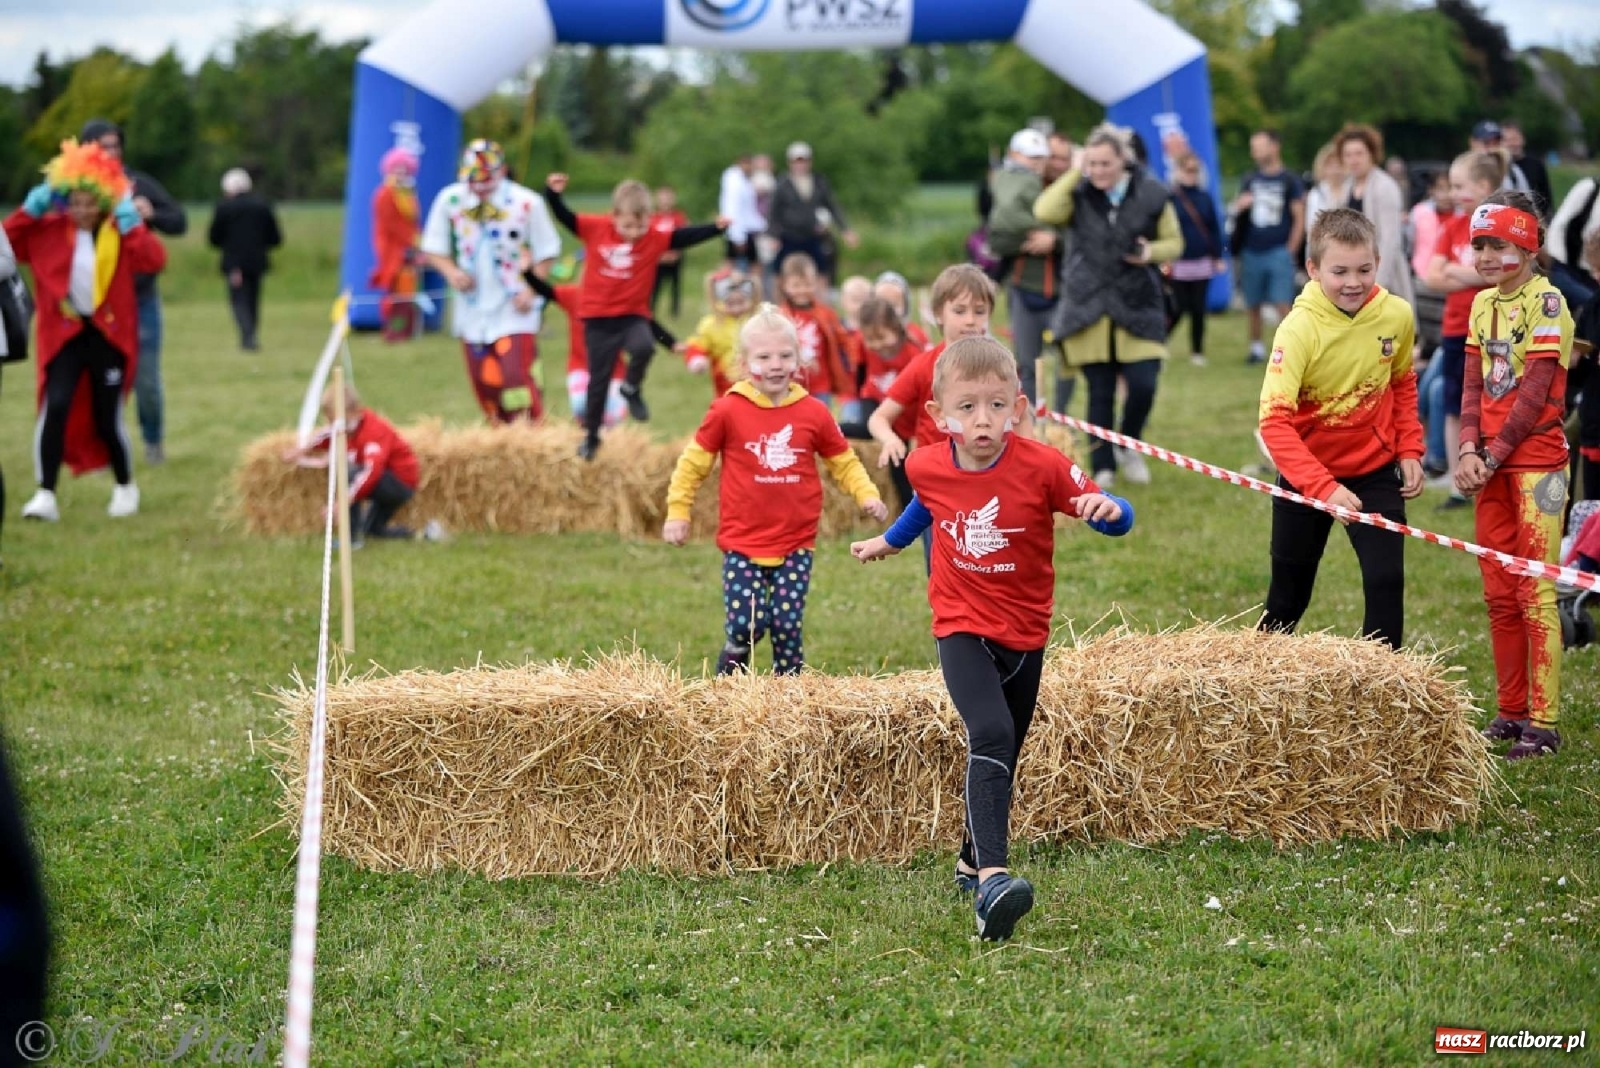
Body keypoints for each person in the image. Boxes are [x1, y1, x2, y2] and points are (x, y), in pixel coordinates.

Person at [850, 336, 1133, 941]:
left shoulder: (1044, 465)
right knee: (992, 731)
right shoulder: (926, 463)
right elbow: (927, 504)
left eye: (997, 406)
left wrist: (1109, 510)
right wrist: (890, 542)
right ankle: (992, 885)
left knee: (1006, 749)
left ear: (1019, 408)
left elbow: (1106, 507)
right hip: (959, 626)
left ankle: (968, 857)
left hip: (1027, 632)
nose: (983, 419)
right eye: (969, 407)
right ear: (939, 416)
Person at [663, 303, 887, 675]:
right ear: (744, 362)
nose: (775, 364)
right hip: (742, 541)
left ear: (799, 360)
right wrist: (677, 511)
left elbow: (842, 460)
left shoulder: (814, 412)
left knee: (786, 628)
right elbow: (693, 464)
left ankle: (788, 699)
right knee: (745, 626)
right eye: (764, 356)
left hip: (795, 541)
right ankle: (729, 683)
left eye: (785, 355)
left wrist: (866, 494)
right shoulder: (727, 410)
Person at [1257, 208, 1425, 650]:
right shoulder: (1297, 329)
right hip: (1306, 476)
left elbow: (1403, 382)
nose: (1353, 282)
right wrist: (1322, 488)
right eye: (1339, 271)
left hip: (1374, 471)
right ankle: (1257, 680)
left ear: (1378, 261)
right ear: (1313, 270)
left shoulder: (1397, 315)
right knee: (1287, 600)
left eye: (1364, 269)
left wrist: (1410, 449)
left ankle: (1383, 691)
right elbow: (1273, 423)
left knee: (1386, 581)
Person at [1455, 194, 1574, 760]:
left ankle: (1544, 723)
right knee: (1499, 594)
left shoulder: (1548, 302)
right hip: (1491, 466)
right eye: (1479, 245)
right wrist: (1464, 449)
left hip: (1537, 467)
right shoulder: (1480, 305)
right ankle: (1510, 710)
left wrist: (1493, 456)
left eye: (1497, 245)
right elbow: (1474, 385)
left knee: (1535, 590)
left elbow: (1534, 395)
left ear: (1528, 246)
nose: (1485, 255)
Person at [6, 139, 166, 521]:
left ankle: (125, 486)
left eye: (89, 203)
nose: (81, 210)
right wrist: (29, 211)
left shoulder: (117, 232)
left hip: (107, 337)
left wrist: (133, 225)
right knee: (55, 406)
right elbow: (7, 242)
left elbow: (154, 260)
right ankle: (45, 493)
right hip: (64, 336)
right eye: (74, 202)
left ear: (103, 201)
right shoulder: (48, 230)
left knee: (106, 415)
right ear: (64, 200)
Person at [1034, 123, 1181, 487]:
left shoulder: (1151, 192)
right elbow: (1045, 210)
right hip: (1089, 305)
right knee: (1099, 393)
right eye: (1093, 163)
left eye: (1105, 164)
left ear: (1123, 162)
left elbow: (1174, 242)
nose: (1098, 171)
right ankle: (1103, 465)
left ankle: (1129, 445)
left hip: (1137, 301)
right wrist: (1074, 170)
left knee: (1143, 384)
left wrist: (1151, 252)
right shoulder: (1078, 191)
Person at [543, 173, 727, 459]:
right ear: (614, 215)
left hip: (631, 315)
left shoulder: (653, 237)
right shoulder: (595, 228)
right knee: (599, 381)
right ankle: (591, 437)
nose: (634, 232)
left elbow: (683, 237)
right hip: (597, 318)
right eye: (627, 225)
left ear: (650, 218)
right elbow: (564, 216)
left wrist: (716, 228)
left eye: (641, 224)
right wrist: (553, 194)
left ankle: (631, 387)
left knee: (643, 346)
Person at [420, 139, 561, 425]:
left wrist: (531, 288)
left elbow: (548, 250)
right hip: (472, 310)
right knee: (486, 384)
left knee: (516, 378)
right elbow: (432, 247)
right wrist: (452, 272)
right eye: (473, 180)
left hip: (514, 308)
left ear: (502, 171)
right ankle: (501, 438)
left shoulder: (527, 202)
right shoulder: (451, 199)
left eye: (486, 181)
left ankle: (535, 437)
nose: (480, 188)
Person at [80, 118, 184, 466]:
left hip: (140, 300)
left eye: (115, 145)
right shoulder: (76, 189)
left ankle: (153, 442)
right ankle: (104, 448)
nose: (111, 153)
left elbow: (179, 220)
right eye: (102, 146)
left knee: (146, 381)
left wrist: (151, 212)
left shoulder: (137, 185)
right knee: (100, 379)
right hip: (95, 301)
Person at [1425, 152, 1505, 510]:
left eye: (1460, 186)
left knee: (1492, 402)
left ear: (1484, 187)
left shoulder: (1495, 229)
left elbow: (1498, 271)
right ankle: (1459, 482)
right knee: (1455, 402)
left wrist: (1456, 272)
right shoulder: (1452, 227)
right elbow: (1432, 275)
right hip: (1457, 330)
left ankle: (1490, 473)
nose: (1454, 194)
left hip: (1493, 331)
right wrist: (1468, 272)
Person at [518, 269, 677, 429]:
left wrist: (671, 343)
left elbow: (645, 321)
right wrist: (527, 272)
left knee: (612, 418)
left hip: (614, 371)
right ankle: (590, 437)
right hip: (580, 367)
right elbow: (545, 290)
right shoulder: (575, 296)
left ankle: (605, 444)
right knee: (582, 407)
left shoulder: (620, 301)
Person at [283, 382, 422, 543]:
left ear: (354, 412)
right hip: (388, 480)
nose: (334, 425)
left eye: (336, 420)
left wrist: (342, 503)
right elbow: (329, 433)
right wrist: (301, 450)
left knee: (350, 473)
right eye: (330, 420)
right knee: (372, 530)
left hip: (399, 483)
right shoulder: (348, 425)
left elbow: (371, 471)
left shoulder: (373, 432)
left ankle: (350, 539)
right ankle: (416, 534)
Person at [986, 128, 1060, 402]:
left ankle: (1059, 420)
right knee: (1026, 362)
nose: (1038, 164)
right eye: (1032, 158)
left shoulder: (1060, 186)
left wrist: (1055, 239)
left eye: (1042, 158)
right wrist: (1033, 235)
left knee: (1068, 362)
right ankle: (1027, 420)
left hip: (1063, 287)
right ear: (1014, 155)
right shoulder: (1009, 183)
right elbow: (999, 234)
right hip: (1024, 285)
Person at [1231, 129, 1306, 365]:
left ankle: (1292, 349)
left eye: (1259, 145)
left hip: (1277, 249)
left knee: (1282, 301)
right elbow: (1237, 210)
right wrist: (1239, 206)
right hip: (1251, 249)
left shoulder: (1289, 180)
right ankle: (1256, 348)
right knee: (1253, 303)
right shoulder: (1250, 179)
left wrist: (1291, 248)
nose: (1255, 151)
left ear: (1274, 147)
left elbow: (1299, 217)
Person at [1336, 123, 1414, 306]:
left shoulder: (1385, 186)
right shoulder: (1347, 187)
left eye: (1359, 154)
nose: (1353, 160)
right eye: (1348, 155)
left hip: (1383, 273)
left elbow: (1390, 240)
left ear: (1371, 154)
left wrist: (1377, 284)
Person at [207, 167, 283, 352]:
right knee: (253, 298)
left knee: (238, 299)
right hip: (258, 262)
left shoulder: (224, 207)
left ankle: (248, 337)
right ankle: (251, 334)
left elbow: (214, 238)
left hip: (234, 264)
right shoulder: (263, 205)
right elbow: (275, 237)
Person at [1166, 150, 1226, 367]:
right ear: (1178, 171)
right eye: (1187, 170)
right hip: (1178, 262)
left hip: (1202, 262)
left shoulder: (1205, 197)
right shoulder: (1170, 198)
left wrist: (1218, 256)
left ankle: (1197, 351)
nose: (1191, 174)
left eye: (1194, 170)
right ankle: (1161, 344)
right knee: (1178, 307)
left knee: (1199, 309)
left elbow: (1214, 228)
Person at [768, 142, 858, 281]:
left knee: (820, 271)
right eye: (796, 161)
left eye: (803, 161)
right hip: (788, 236)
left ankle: (820, 301)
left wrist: (845, 229)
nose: (800, 165)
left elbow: (832, 206)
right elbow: (773, 211)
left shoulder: (819, 182)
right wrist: (773, 235)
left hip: (812, 235)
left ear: (809, 162)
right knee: (781, 273)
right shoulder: (782, 183)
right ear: (790, 163)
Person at [774, 253, 853, 409]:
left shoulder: (826, 313)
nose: (802, 290)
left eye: (808, 284)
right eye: (796, 285)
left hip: (821, 383)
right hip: (790, 382)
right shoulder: (780, 316)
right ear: (784, 285)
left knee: (820, 420)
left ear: (816, 283)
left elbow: (844, 340)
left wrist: (853, 360)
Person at [839, 297, 921, 440]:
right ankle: (831, 428)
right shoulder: (860, 342)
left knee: (899, 443)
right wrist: (859, 396)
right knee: (868, 427)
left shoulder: (912, 352)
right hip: (873, 396)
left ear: (894, 328)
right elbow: (861, 371)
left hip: (902, 406)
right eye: (870, 340)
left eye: (882, 338)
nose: (877, 345)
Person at [369, 147, 423, 342]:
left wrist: (417, 242)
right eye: (396, 169)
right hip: (393, 250)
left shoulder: (408, 195)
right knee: (395, 291)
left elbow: (412, 223)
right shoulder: (384, 194)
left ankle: (405, 330)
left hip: (408, 249)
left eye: (404, 169)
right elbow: (390, 225)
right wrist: (411, 241)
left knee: (408, 290)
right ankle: (393, 330)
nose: (400, 173)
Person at [682, 271, 758, 402]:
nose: (736, 309)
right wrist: (697, 359)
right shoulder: (712, 324)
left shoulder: (758, 321)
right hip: (725, 384)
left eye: (741, 303)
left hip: (757, 383)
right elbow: (698, 345)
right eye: (730, 304)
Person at [649, 185, 690, 319]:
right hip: (659, 258)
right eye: (662, 197)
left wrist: (676, 252)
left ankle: (675, 312)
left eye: (668, 197)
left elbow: (685, 234)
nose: (665, 201)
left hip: (675, 257)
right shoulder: (652, 217)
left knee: (675, 285)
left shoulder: (678, 216)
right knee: (655, 285)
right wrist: (658, 255)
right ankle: (651, 310)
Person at [718, 154, 764, 271]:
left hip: (745, 229)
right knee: (734, 264)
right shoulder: (734, 181)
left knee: (751, 264)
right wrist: (738, 237)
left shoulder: (744, 180)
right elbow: (732, 209)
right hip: (737, 229)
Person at [1499, 121, 1553, 214]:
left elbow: (1546, 198)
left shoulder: (1536, 166)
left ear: (1523, 139)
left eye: (1515, 139)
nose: (1512, 144)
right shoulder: (1498, 167)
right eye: (1507, 140)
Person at [873, 271, 930, 349]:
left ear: (905, 306)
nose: (889, 312)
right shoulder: (869, 335)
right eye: (884, 305)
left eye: (895, 305)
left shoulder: (915, 335)